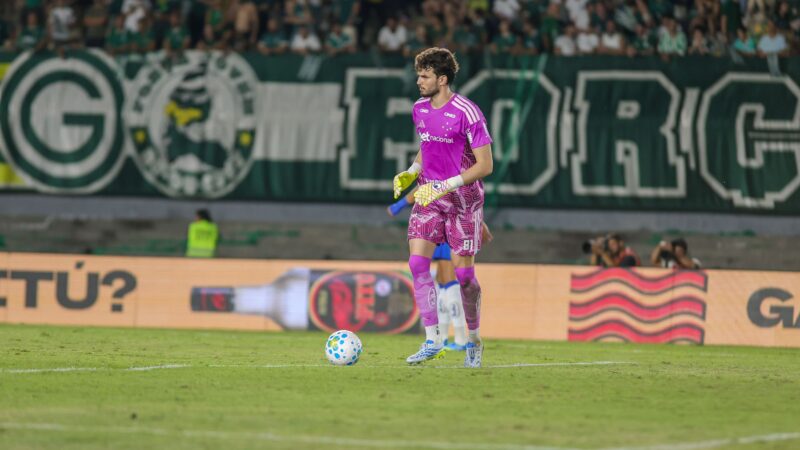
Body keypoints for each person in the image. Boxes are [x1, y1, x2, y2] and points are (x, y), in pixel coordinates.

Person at [392, 47, 493, 368]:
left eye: (424, 76)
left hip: (463, 200)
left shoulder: (468, 112)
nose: (418, 81)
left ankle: (473, 339)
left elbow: (485, 166)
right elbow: (426, 147)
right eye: (418, 75)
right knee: (417, 264)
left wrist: (446, 185)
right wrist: (411, 171)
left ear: (443, 79)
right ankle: (432, 339)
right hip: (429, 197)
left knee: (464, 276)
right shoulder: (419, 108)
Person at [387, 189, 495, 352]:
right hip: (435, 220)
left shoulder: (444, 171)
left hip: (449, 221)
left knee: (451, 280)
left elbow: (426, 188)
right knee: (442, 281)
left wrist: (399, 205)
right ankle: (443, 337)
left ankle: (460, 339)